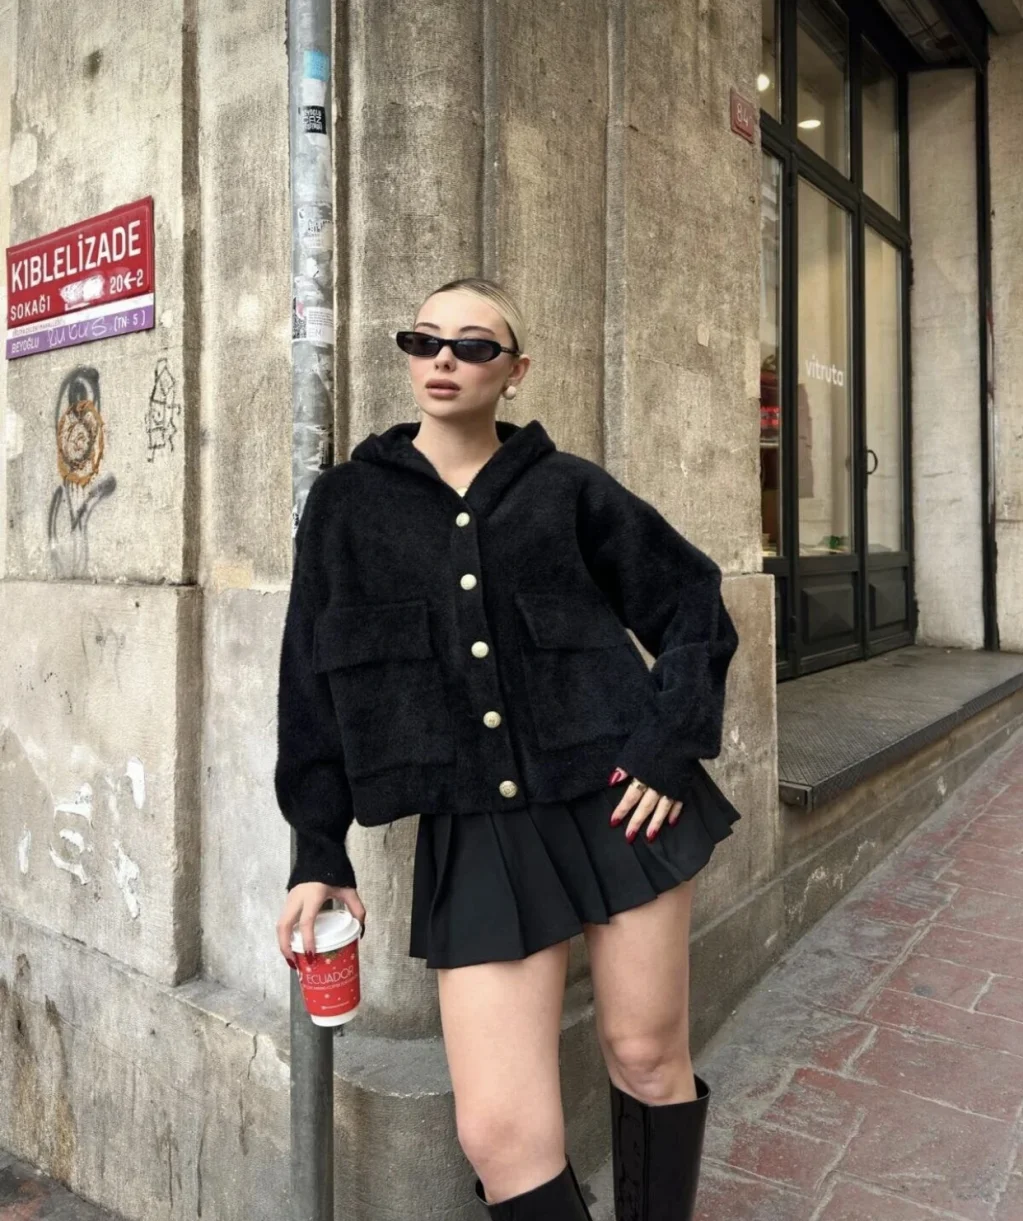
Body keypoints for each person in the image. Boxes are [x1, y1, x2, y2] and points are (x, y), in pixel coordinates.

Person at [274, 277, 741, 1220]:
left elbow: (693, 600)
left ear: (515, 370)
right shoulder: (348, 505)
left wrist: (666, 742)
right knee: (498, 1132)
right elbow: (309, 680)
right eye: (425, 339)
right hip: (474, 826)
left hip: (618, 797)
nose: (444, 358)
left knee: (646, 1055)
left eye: (474, 345)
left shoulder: (568, 488)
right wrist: (318, 847)